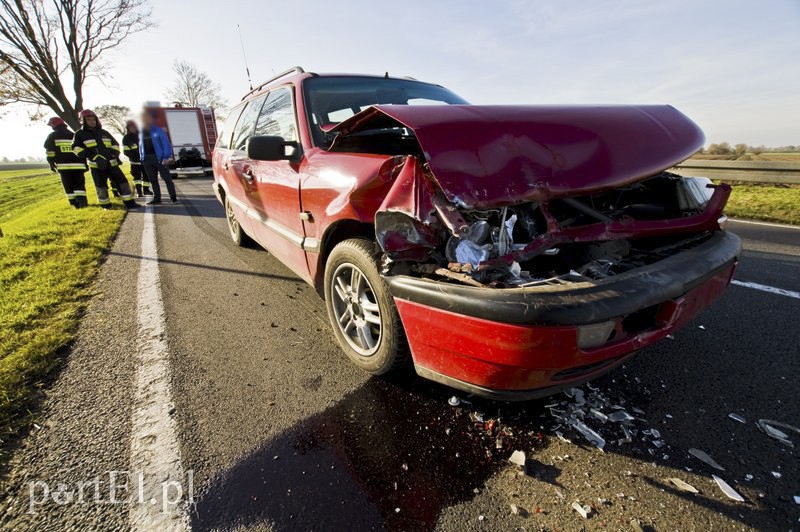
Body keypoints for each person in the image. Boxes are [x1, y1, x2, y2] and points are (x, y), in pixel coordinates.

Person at [72, 109, 138, 210]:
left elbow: (115, 144)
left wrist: (114, 154)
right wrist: (94, 157)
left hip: (112, 164)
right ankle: (106, 206)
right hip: (96, 166)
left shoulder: (104, 132)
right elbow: (76, 149)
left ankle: (130, 203)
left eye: (93, 119)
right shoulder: (79, 134)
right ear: (83, 121)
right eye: (89, 119)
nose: (92, 121)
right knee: (101, 187)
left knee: (123, 183)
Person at [43, 117, 88, 208]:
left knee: (68, 185)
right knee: (79, 185)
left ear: (53, 125)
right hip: (78, 166)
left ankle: (74, 204)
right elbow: (82, 150)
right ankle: (83, 203)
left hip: (64, 167)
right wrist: (85, 164)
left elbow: (50, 152)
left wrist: (51, 163)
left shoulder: (52, 136)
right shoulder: (73, 135)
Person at [140, 111, 178, 205]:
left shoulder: (158, 130)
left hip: (159, 159)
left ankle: (173, 198)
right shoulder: (141, 133)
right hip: (147, 160)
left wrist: (166, 157)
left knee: (167, 179)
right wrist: (142, 157)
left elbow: (166, 144)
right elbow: (140, 146)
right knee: (153, 180)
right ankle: (157, 198)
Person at [122, 120, 151, 198]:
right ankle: (139, 192)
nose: (132, 129)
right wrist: (135, 157)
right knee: (137, 178)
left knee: (147, 176)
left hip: (144, 160)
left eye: (134, 127)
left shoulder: (141, 135)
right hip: (134, 162)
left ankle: (146, 190)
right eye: (131, 127)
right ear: (128, 128)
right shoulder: (126, 138)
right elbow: (126, 151)